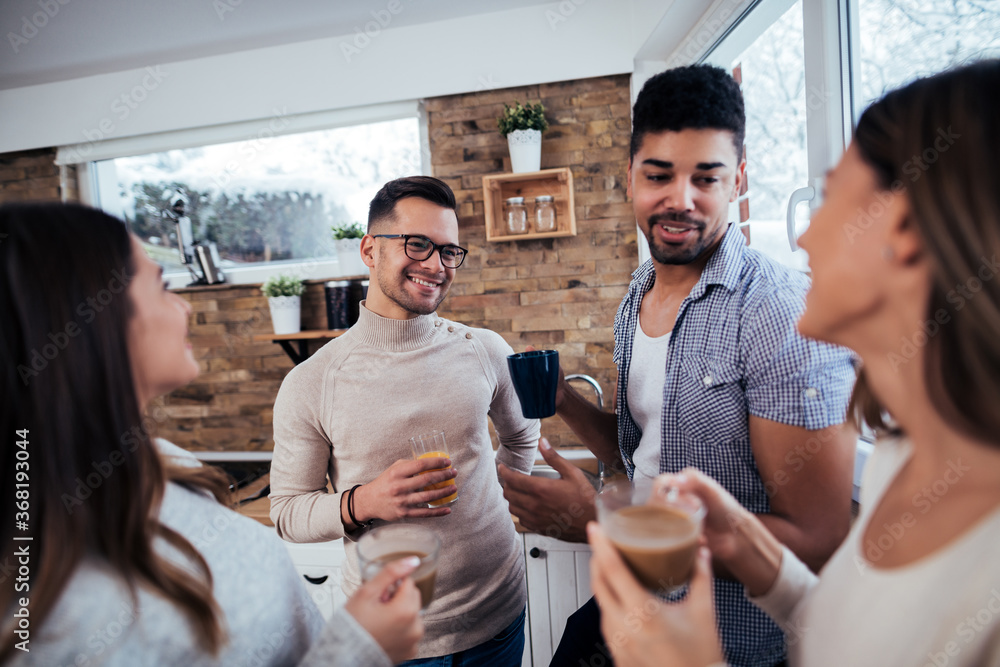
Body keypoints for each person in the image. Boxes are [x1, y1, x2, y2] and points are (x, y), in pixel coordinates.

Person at [589, 58, 1000, 666]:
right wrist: (740, 539)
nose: (804, 237)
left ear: (905, 229)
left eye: (832, 195)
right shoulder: (899, 455)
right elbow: (846, 630)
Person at [500, 64, 857, 666]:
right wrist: (562, 398)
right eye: (659, 176)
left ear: (738, 180)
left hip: (725, 639)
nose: (680, 200)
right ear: (631, 178)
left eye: (707, 178)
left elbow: (821, 542)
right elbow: (639, 453)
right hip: (631, 602)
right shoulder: (639, 292)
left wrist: (601, 521)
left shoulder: (777, 314)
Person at [0, 202, 425, 666]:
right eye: (162, 287)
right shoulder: (54, 609)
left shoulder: (166, 464)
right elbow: (287, 513)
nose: (184, 307)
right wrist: (360, 651)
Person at [269, 176, 540, 665]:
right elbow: (287, 512)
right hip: (395, 638)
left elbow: (522, 435)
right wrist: (366, 501)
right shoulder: (313, 381)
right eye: (418, 245)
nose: (436, 265)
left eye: (448, 251)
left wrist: (493, 502)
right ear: (370, 250)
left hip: (499, 615)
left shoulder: (483, 349)